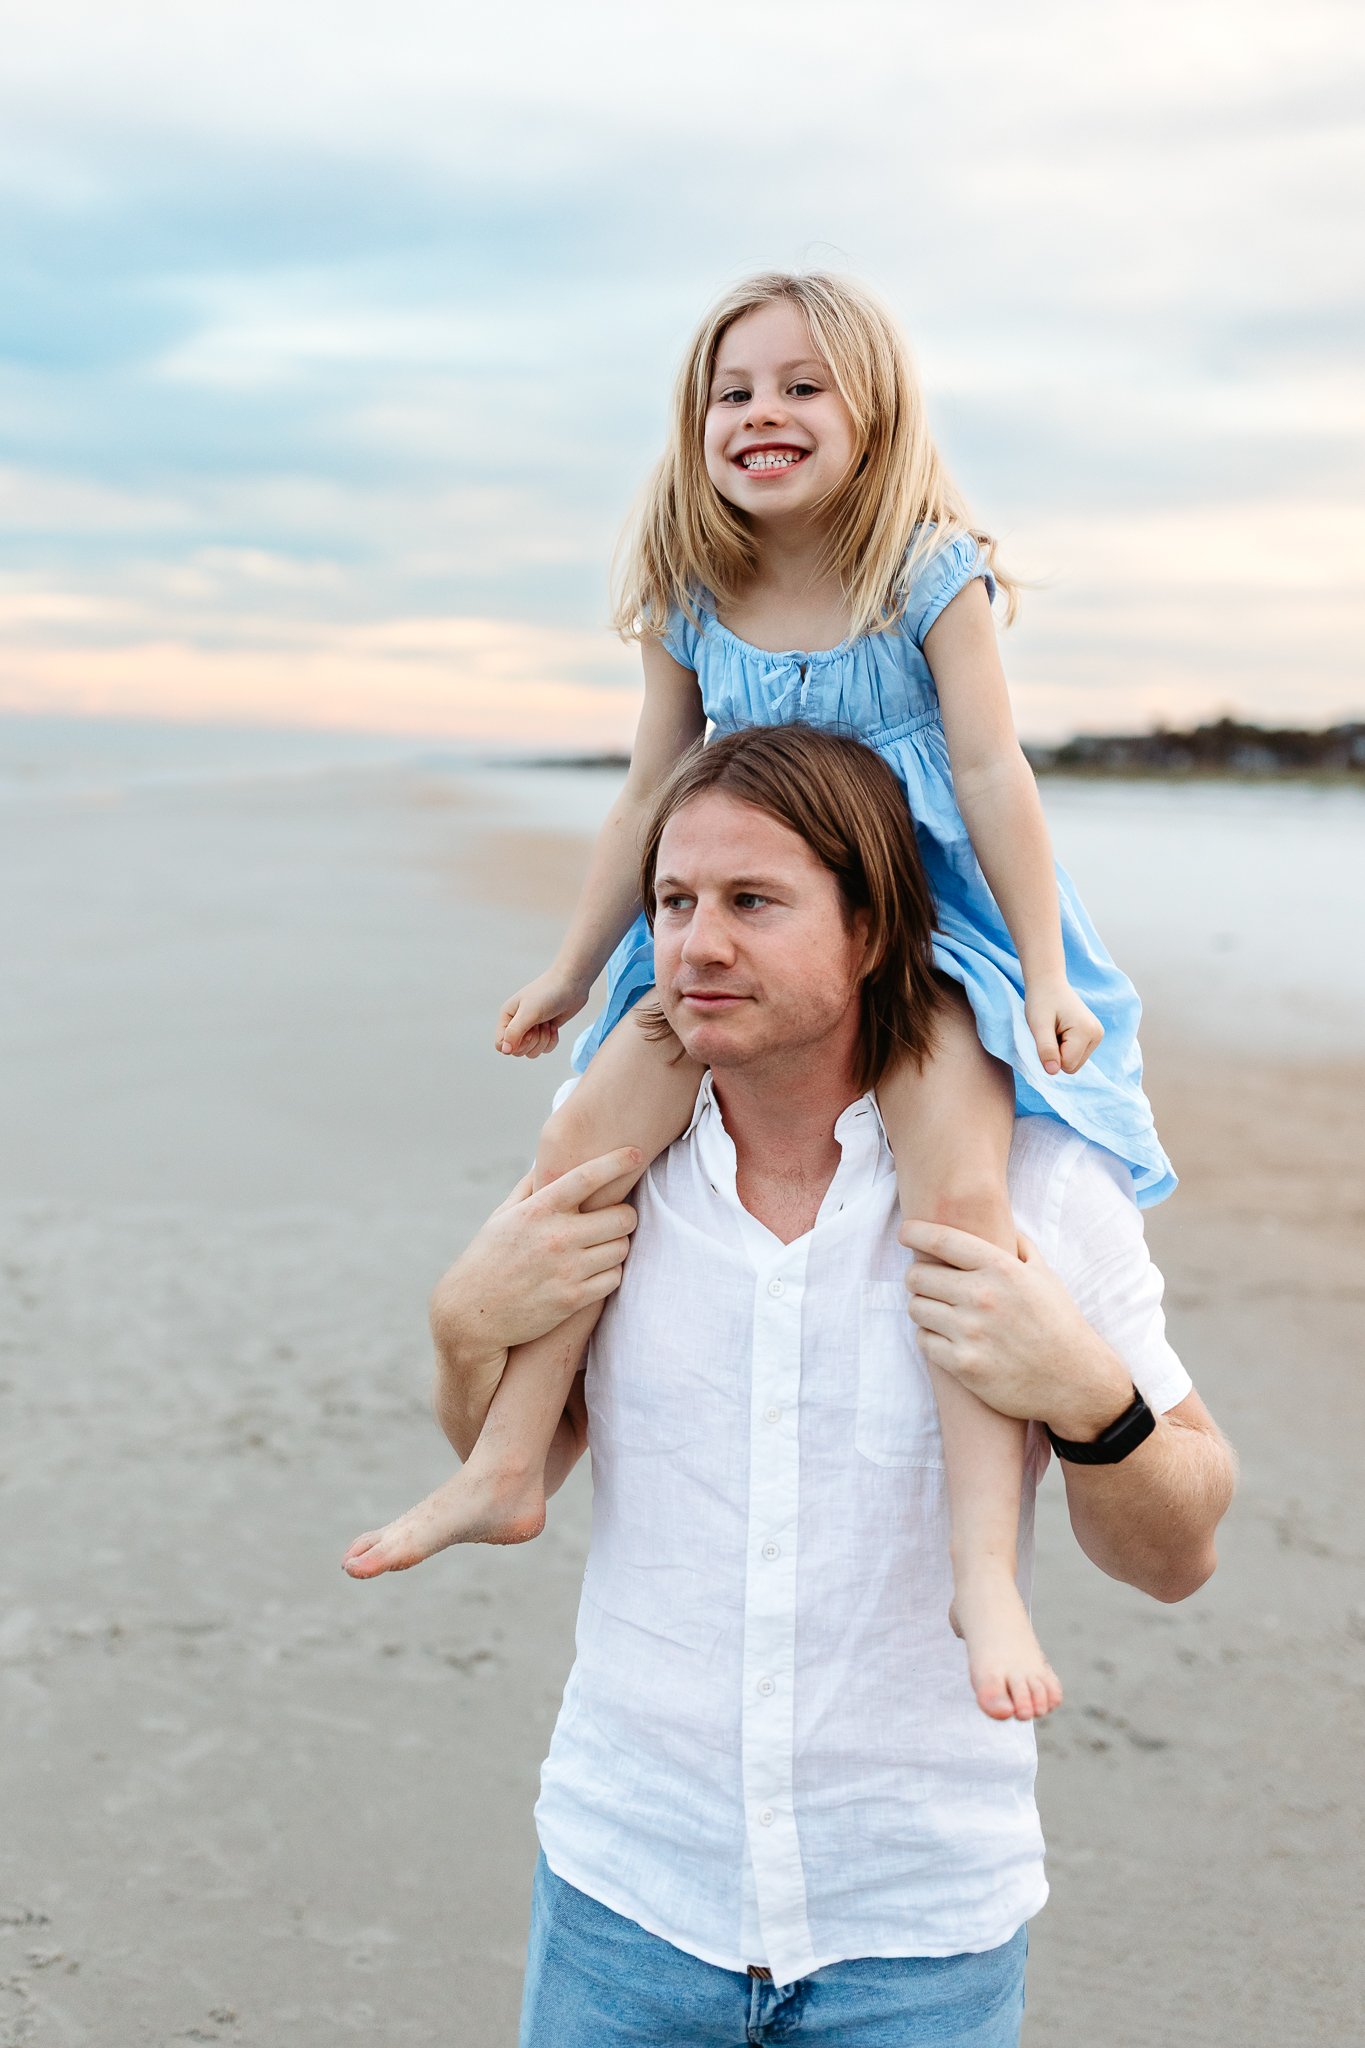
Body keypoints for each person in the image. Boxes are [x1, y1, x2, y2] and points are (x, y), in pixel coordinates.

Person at [343, 271, 1174, 1726]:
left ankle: (983, 1566)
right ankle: (507, 1457)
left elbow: (991, 779)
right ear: (694, 423)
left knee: (960, 1205)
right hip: (747, 932)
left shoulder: (928, 574)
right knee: (582, 1146)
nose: (762, 414)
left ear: (874, 415)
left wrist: (1044, 975)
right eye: (732, 391)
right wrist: (565, 965)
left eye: (800, 386)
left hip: (920, 938)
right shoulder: (691, 590)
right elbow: (651, 794)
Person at [380, 725, 1234, 2046]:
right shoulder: (615, 1169)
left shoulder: (1038, 1191)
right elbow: (525, 1463)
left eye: (752, 903)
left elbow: (1177, 1552)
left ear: (871, 929)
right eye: (673, 902)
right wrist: (458, 1325)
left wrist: (1086, 1396)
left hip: (916, 1926)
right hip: (628, 1888)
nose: (694, 945)